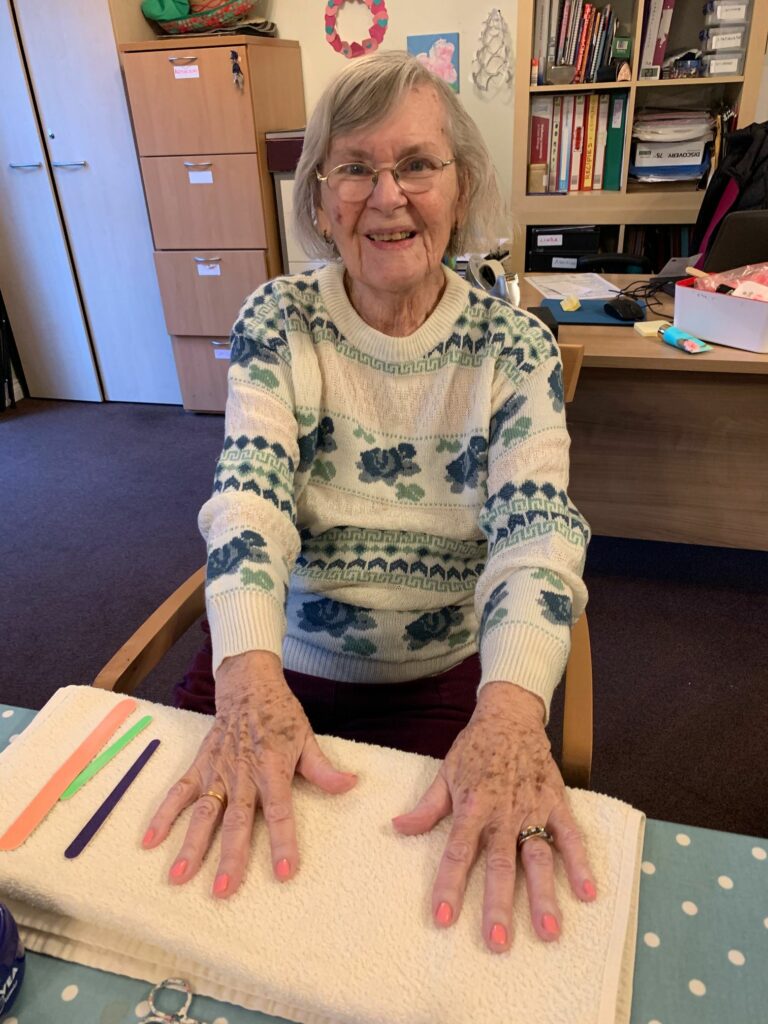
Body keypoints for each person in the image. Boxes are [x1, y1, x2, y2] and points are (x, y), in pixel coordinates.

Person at [142, 51, 595, 954]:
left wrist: (513, 712)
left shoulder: (515, 347)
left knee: (411, 931)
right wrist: (247, 676)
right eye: (354, 167)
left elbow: (537, 536)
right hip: (275, 660)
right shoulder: (278, 320)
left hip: (438, 682)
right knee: (171, 882)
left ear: (462, 189)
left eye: (418, 164)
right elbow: (249, 500)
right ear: (319, 201)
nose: (387, 196)